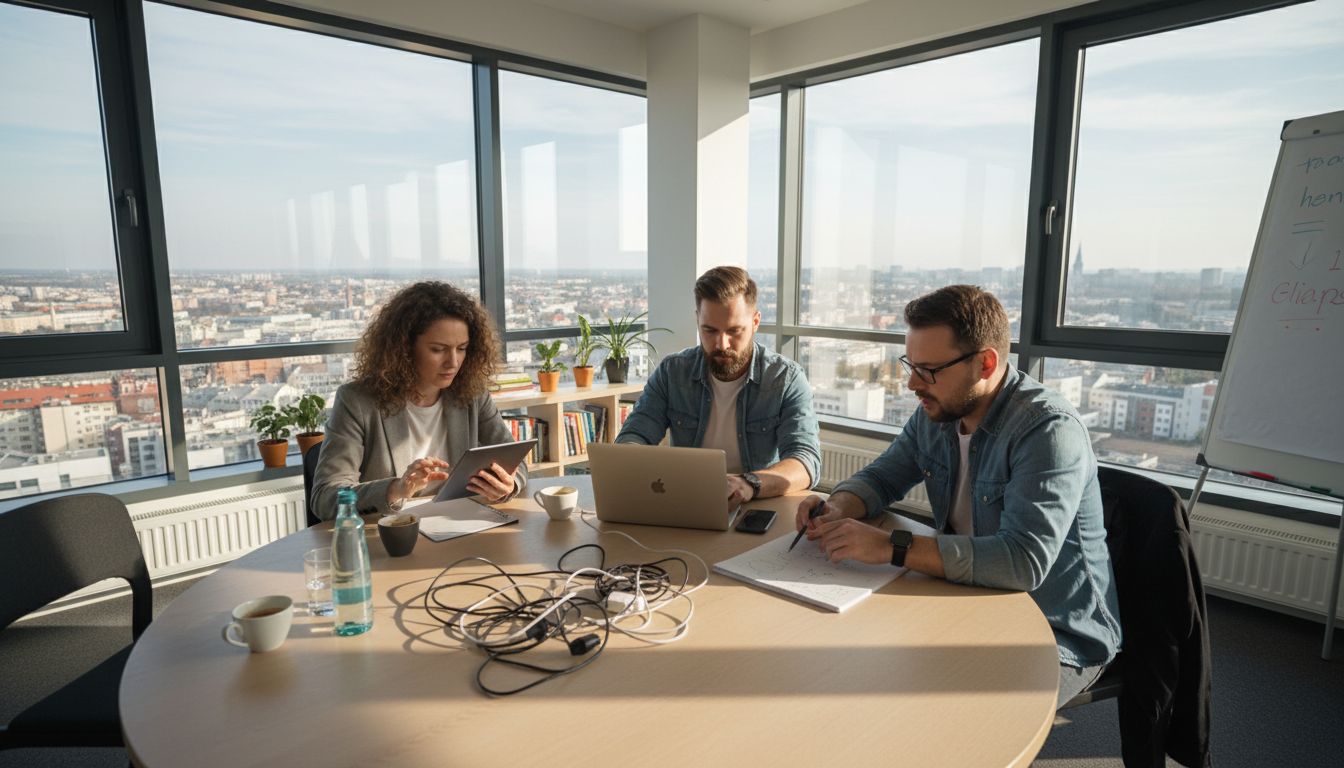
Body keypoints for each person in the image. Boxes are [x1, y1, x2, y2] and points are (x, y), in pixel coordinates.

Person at [794, 284, 1120, 708]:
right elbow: (884, 476)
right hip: (969, 597)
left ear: (985, 363)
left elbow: (1022, 562)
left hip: (1054, 631)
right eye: (910, 365)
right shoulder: (939, 408)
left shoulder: (1048, 431)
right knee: (848, 669)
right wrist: (837, 504)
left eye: (928, 370)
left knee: (939, 710)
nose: (912, 383)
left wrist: (892, 547)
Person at [310, 281, 526, 521]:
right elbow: (325, 497)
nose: (453, 362)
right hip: (392, 537)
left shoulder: (473, 394)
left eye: (462, 348)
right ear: (404, 348)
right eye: (438, 349)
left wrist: (509, 485)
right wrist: (395, 489)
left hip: (459, 527)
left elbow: (516, 462)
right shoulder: (357, 402)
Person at [616, 266, 820, 509]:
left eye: (734, 331)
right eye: (709, 330)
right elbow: (635, 435)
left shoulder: (785, 379)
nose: (721, 344)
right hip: (686, 503)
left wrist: (748, 483)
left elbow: (805, 462)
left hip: (756, 505)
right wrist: (629, 458)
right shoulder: (672, 373)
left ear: (755, 322)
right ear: (697, 321)